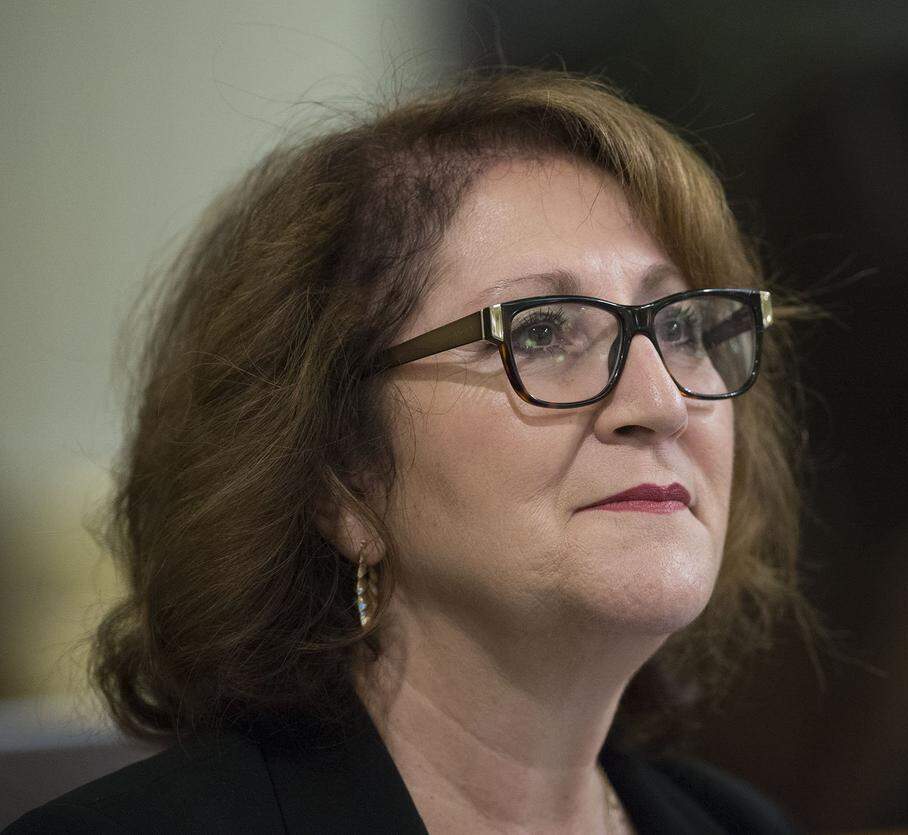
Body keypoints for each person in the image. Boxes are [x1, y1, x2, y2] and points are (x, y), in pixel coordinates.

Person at [6, 68, 807, 834]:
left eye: (681, 326)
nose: (661, 403)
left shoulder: (740, 825)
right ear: (341, 481)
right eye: (542, 331)